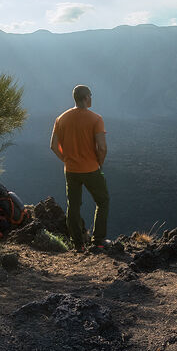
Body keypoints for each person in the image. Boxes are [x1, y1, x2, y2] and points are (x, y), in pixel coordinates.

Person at [50, 84, 110, 251]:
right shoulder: (96, 119)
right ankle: (98, 240)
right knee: (103, 201)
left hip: (71, 170)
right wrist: (100, 163)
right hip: (91, 169)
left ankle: (78, 244)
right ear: (85, 98)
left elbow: (53, 145)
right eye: (90, 95)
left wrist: (66, 160)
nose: (91, 98)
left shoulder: (61, 119)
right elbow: (102, 147)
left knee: (73, 206)